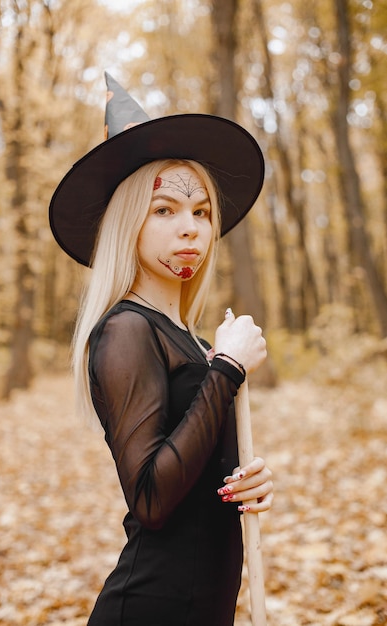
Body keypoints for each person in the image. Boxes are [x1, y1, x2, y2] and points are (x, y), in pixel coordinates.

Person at [49, 73, 273, 626]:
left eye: (200, 212)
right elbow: (150, 499)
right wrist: (228, 368)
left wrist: (242, 482)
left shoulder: (195, 341)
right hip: (151, 608)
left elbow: (193, 470)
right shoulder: (126, 331)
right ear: (130, 222)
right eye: (165, 210)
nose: (190, 229)